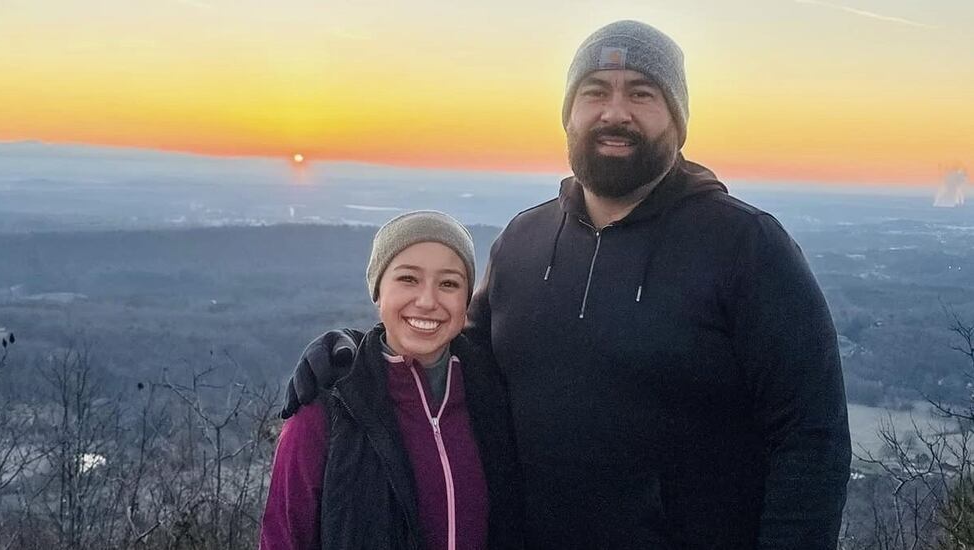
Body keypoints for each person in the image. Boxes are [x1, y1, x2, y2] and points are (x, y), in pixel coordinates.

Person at [281, 20, 851, 549]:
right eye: (595, 91)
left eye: (641, 93)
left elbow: (812, 437)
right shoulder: (525, 241)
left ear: (676, 120)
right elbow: (459, 357)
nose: (615, 112)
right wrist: (358, 357)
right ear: (569, 114)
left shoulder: (746, 246)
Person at [260, 211, 522, 550]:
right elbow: (284, 539)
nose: (428, 301)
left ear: (466, 299)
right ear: (378, 292)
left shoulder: (492, 398)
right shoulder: (328, 408)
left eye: (449, 283)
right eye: (408, 279)